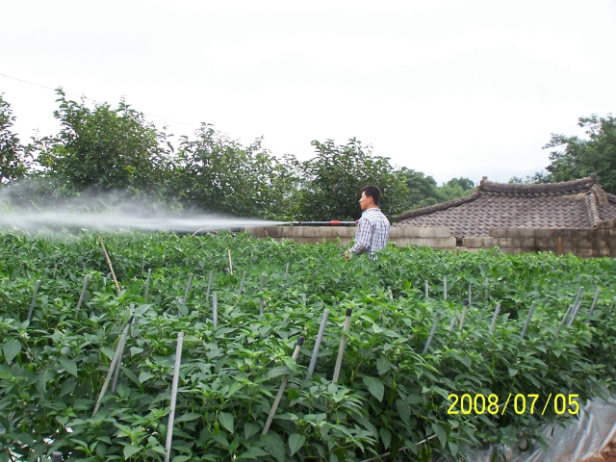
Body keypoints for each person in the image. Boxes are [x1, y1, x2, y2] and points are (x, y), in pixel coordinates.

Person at [345, 185, 390, 260]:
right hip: (381, 263)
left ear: (369, 199)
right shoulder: (384, 219)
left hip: (369, 266)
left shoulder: (366, 218)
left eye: (362, 197)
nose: (360, 200)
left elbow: (363, 244)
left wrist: (349, 253)